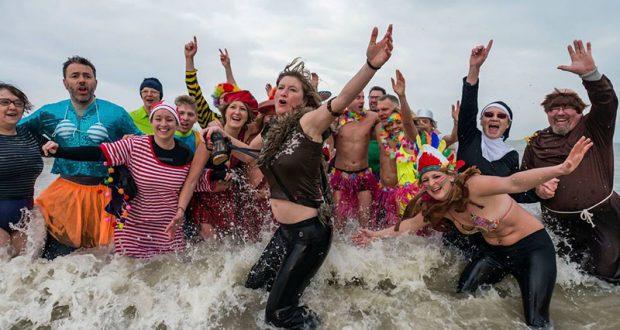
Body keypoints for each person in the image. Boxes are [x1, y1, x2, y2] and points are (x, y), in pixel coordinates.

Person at [168, 25, 394, 329]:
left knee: (278, 315)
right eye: (280, 88)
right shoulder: (272, 131)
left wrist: (371, 65)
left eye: (291, 89)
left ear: (302, 100)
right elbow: (253, 155)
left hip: (310, 235)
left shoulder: (310, 123)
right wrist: (222, 135)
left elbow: (343, 98)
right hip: (286, 233)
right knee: (253, 285)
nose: (283, 93)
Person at [354, 132, 593, 328]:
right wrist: (373, 235)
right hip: (495, 254)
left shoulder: (474, 185)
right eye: (425, 181)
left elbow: (515, 182)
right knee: (462, 298)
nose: (432, 184)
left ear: (450, 175)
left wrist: (561, 169)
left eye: (436, 176)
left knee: (536, 321)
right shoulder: (438, 206)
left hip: (532, 249)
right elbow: (409, 225)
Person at [19, 56, 141, 259]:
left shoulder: (116, 113)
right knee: (50, 256)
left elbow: (143, 144)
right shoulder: (50, 112)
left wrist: (131, 144)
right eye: (75, 76)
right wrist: (41, 145)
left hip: (105, 192)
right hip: (64, 191)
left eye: (87, 76)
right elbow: (16, 129)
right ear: (65, 82)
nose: (81, 80)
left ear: (95, 82)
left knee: (104, 259)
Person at [521, 40, 620, 284]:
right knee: (571, 280)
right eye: (554, 108)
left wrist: (591, 75)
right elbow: (521, 182)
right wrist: (536, 188)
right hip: (559, 224)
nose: (561, 112)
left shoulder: (595, 128)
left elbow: (607, 102)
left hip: (603, 217)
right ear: (547, 113)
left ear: (580, 112)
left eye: (568, 107)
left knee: (608, 278)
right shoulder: (535, 141)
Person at [42, 101, 192, 258]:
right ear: (151, 122)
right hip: (133, 230)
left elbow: (195, 181)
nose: (163, 124)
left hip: (169, 230)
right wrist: (61, 151)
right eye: (158, 119)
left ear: (177, 123)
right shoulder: (134, 145)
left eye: (169, 119)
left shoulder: (186, 154)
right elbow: (96, 153)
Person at [447, 40, 540, 258]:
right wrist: (474, 68)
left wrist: (539, 192)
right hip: (459, 221)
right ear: (481, 121)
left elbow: (512, 191)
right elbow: (469, 106)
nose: (494, 118)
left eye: (501, 116)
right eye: (489, 114)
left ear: (508, 124)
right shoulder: (469, 137)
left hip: (488, 227)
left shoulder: (511, 155)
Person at [184, 90, 263, 241]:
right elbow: (191, 178)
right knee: (210, 245)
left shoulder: (245, 140)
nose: (237, 112)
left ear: (248, 117)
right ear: (225, 112)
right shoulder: (211, 137)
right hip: (205, 200)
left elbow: (252, 156)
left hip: (228, 202)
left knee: (227, 249)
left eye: (242, 109)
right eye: (233, 107)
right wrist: (180, 211)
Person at [0, 83, 44, 258]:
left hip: (25, 215)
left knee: (25, 272)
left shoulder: (28, 134)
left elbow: (56, 149)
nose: (12, 107)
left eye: (18, 103)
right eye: (4, 102)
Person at [373, 70, 419, 228]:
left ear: (395, 109)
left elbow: (407, 122)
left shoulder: (406, 134)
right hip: (382, 192)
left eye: (384, 110)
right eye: (378, 110)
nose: (380, 113)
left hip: (402, 194)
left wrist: (402, 96)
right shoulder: (378, 127)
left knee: (405, 234)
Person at [330, 91, 379, 229]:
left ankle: (365, 247)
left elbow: (394, 117)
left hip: (363, 175)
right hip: (341, 175)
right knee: (339, 223)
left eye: (363, 98)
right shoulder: (337, 118)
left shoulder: (371, 117)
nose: (362, 101)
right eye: (357, 98)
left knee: (365, 222)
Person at [367, 86, 387, 178]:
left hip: (384, 169)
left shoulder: (392, 119)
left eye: (377, 98)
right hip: (364, 169)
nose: (374, 100)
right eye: (371, 97)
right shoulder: (361, 118)